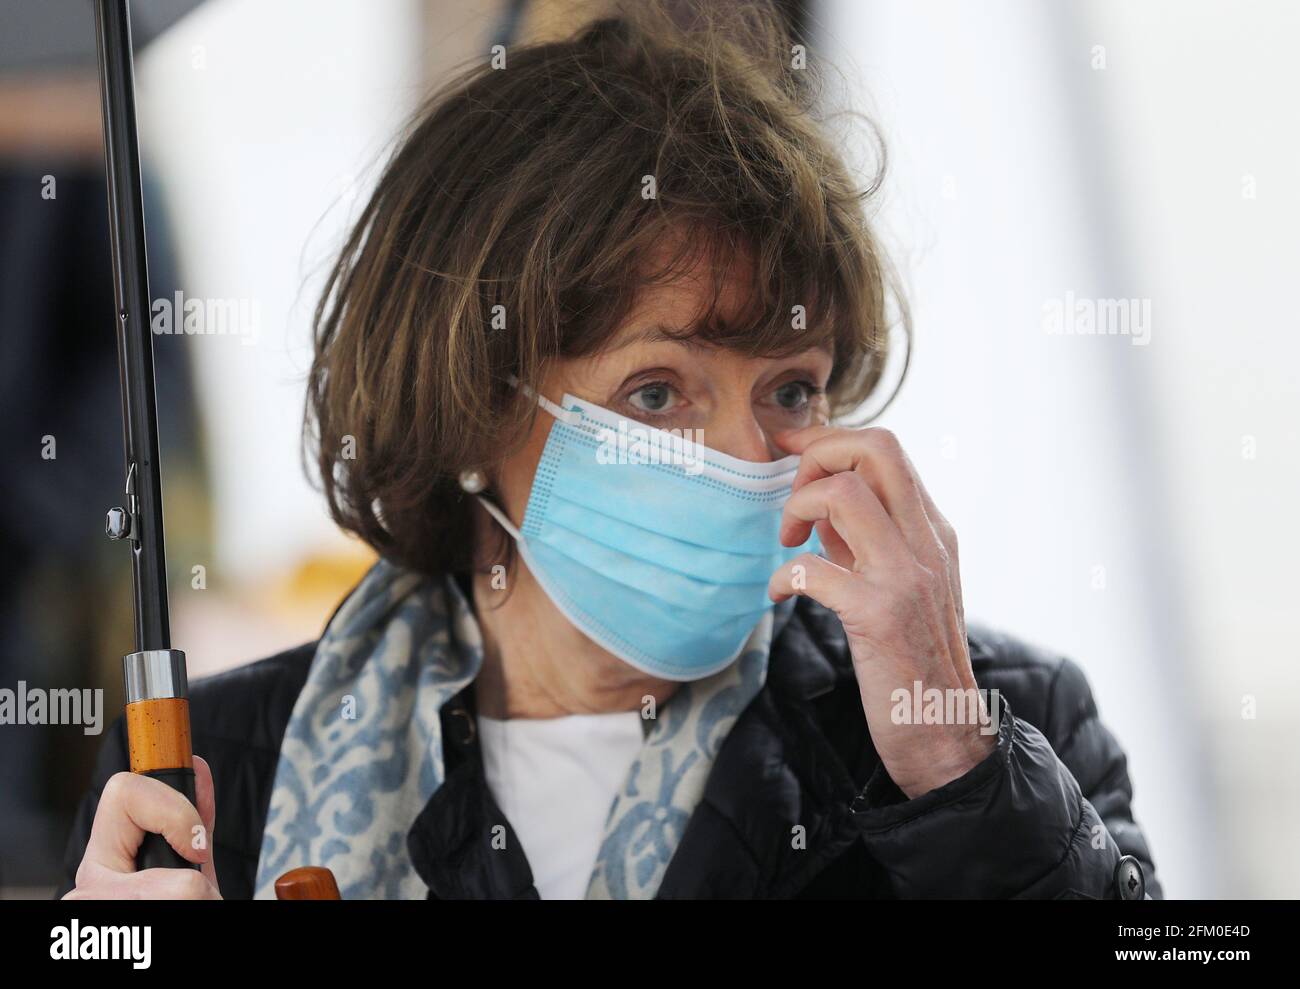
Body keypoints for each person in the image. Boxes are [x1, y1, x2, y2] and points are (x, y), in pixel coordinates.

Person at [60, 0, 1159, 900]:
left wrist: (957, 776)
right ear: (475, 411)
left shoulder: (996, 722)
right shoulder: (205, 772)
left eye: (790, 388)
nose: (745, 453)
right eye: (657, 389)